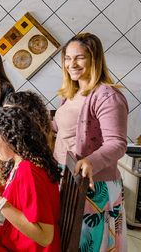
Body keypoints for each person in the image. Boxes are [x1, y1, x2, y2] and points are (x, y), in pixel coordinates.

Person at [53, 32, 128, 251]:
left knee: (92, 244)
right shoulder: (71, 92)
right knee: (70, 242)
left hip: (95, 184)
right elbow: (62, 129)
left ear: (94, 59)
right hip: (69, 177)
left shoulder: (106, 95)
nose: (71, 64)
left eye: (79, 58)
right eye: (67, 58)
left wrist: (90, 161)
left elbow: (117, 143)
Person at [0, 107, 62, 251]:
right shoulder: (20, 162)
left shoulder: (30, 172)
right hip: (13, 238)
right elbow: (18, 201)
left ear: (9, 137)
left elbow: (45, 237)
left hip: (26, 247)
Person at [0, 91, 54, 218]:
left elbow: (44, 234)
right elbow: (11, 194)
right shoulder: (19, 158)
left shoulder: (30, 167)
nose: (4, 123)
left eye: (10, 118)